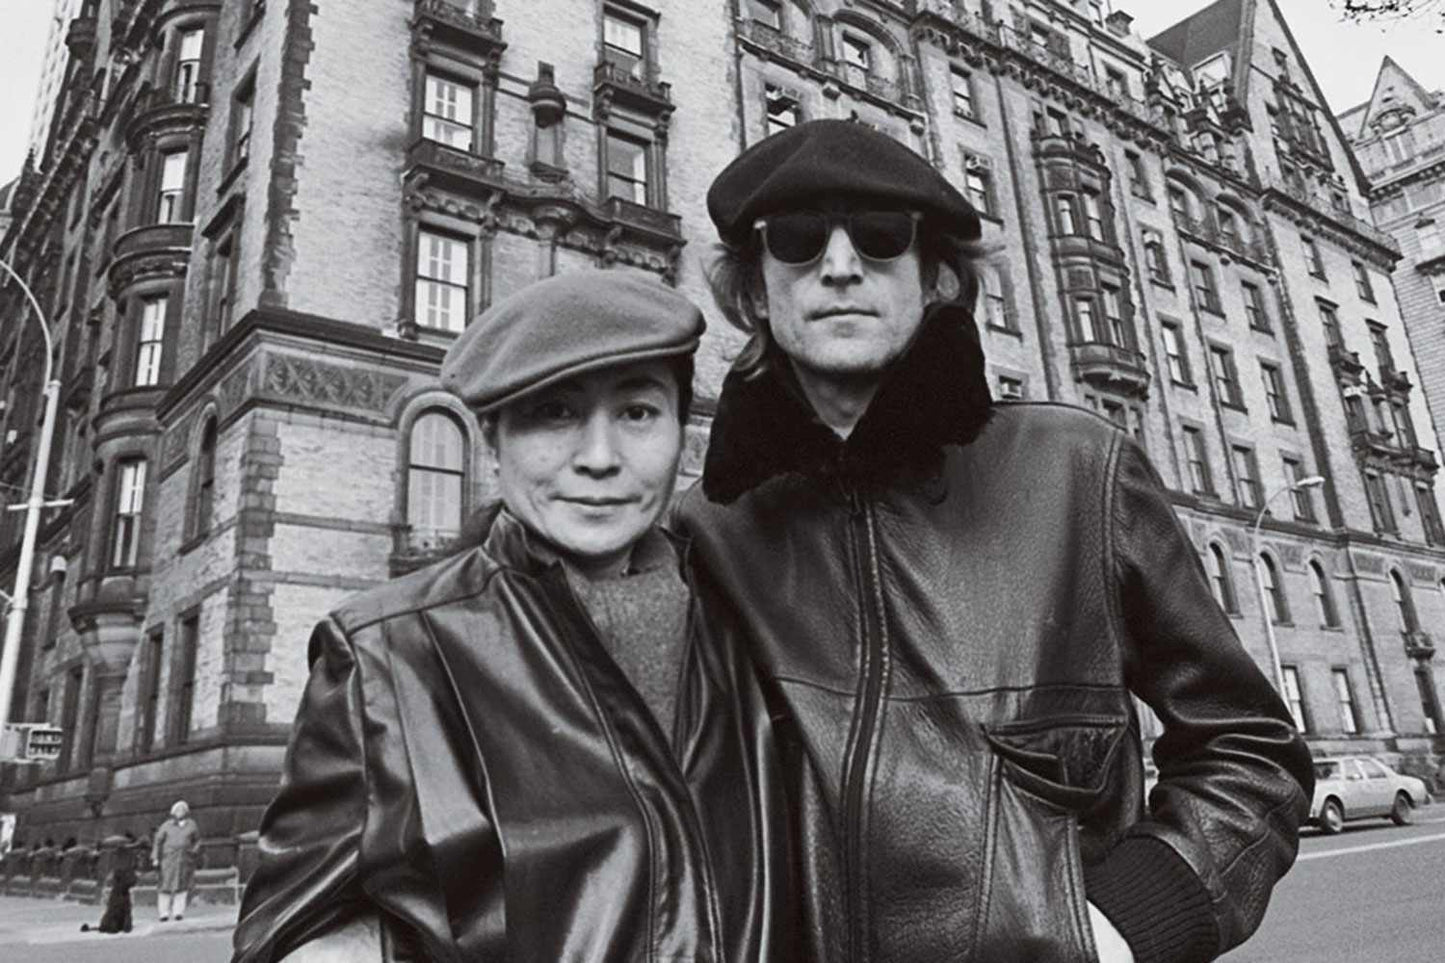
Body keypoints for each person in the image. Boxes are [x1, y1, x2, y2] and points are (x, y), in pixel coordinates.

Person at [676, 119, 1316, 963]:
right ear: (756, 290)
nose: (837, 265)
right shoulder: (702, 533)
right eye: (795, 241)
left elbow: (1249, 747)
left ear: (936, 278)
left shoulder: (1077, 468)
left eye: (878, 237)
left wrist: (1121, 925)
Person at [232, 270, 792, 963]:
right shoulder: (385, 655)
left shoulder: (759, 624)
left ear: (682, 430)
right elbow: (294, 929)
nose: (598, 458)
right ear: (491, 441)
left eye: (638, 412)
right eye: (554, 413)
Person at [152, 800, 202, 921]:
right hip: (168, 860)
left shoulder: (191, 825)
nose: (180, 812)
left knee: (182, 885)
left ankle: (178, 912)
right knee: (165, 885)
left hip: (184, 860)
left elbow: (198, 840)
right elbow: (158, 842)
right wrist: (155, 858)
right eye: (178, 810)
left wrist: (194, 851)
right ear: (173, 812)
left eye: (183, 810)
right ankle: (163, 913)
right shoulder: (166, 825)